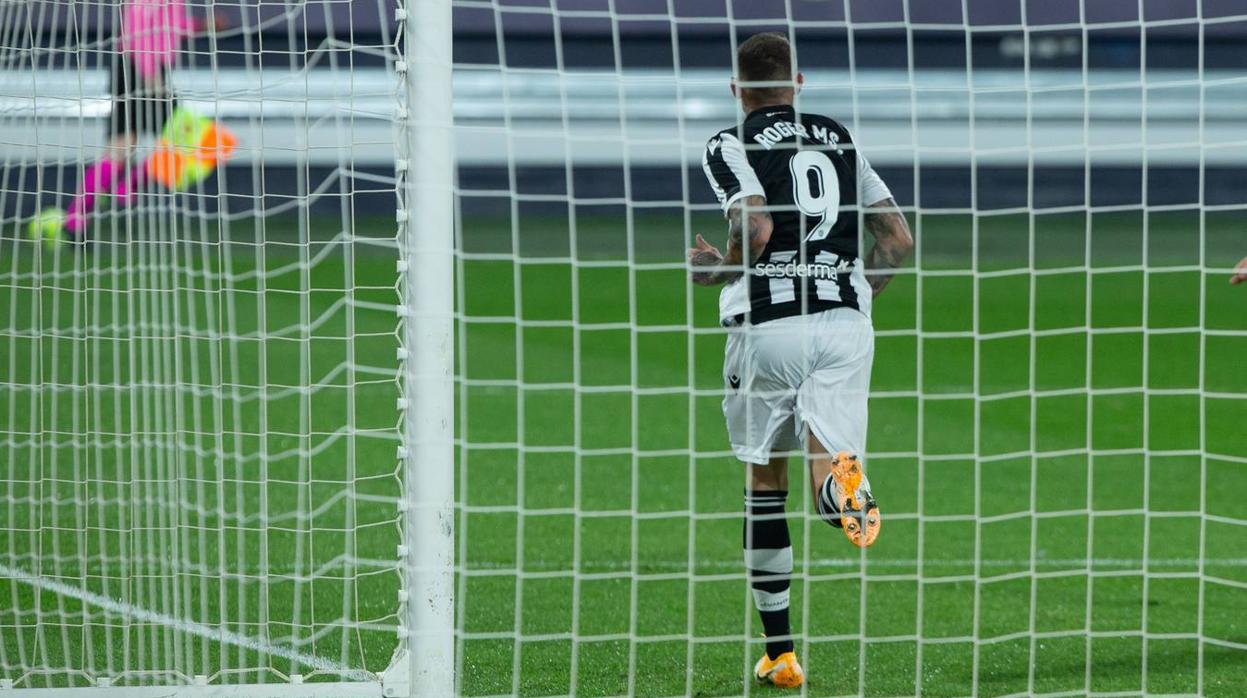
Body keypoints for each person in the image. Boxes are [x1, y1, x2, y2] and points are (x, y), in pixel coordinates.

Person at [688, 32, 913, 689]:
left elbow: (754, 229)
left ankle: (781, 655)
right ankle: (839, 483)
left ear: (737, 89)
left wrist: (717, 269)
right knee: (826, 469)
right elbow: (895, 238)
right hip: (846, 325)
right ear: (798, 82)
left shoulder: (728, 143)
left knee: (764, 481)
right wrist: (853, 294)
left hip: (770, 327)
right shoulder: (839, 138)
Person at [32, 0, 226, 242]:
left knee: (124, 145)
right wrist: (151, 76)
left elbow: (167, 27)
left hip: (140, 69)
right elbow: (137, 30)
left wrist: (200, 26)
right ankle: (123, 190)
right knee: (195, 142)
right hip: (141, 70)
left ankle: (77, 218)